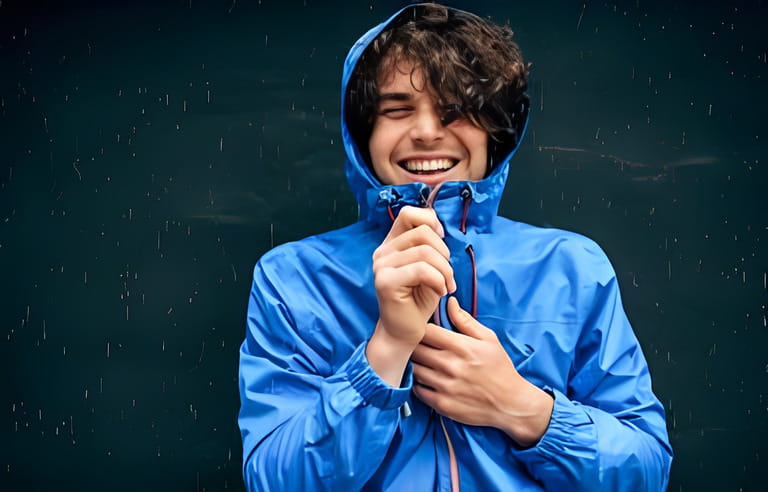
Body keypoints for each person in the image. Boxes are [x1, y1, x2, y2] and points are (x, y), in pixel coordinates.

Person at [238, 3, 673, 490]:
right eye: (397, 109)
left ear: (496, 131)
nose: (426, 132)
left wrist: (524, 408)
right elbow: (273, 481)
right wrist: (385, 351)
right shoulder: (292, 278)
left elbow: (646, 470)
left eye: (457, 110)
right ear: (365, 133)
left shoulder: (572, 268)